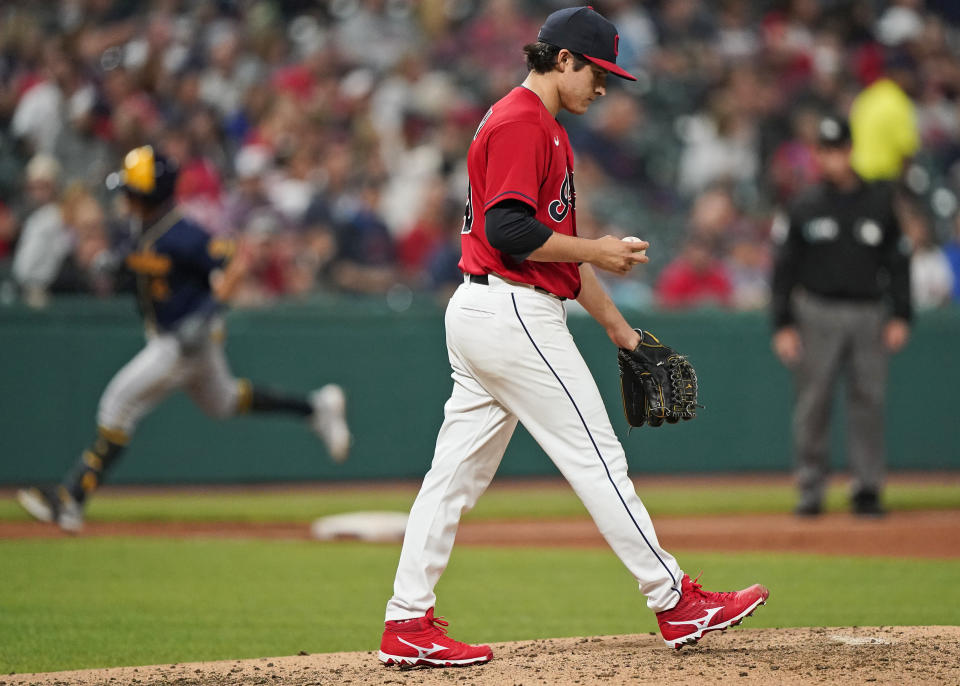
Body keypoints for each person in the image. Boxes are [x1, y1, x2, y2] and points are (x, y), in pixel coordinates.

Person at [378, 6, 769, 669]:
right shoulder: (521, 122)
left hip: (493, 310)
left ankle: (406, 621)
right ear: (564, 59)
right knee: (596, 457)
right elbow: (509, 232)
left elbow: (551, 251)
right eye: (598, 72)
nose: (604, 87)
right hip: (512, 315)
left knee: (452, 479)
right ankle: (675, 601)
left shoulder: (539, 126)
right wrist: (601, 248)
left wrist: (618, 328)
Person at [16, 146, 351, 532]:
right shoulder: (138, 228)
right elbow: (135, 263)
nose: (125, 197)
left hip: (183, 342)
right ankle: (315, 407)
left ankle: (71, 497)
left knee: (117, 404)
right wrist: (112, 264)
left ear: (149, 194)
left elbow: (236, 260)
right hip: (174, 337)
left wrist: (210, 309)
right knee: (224, 403)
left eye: (132, 191)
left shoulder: (185, 233)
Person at [771, 116, 912, 517]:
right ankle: (810, 488)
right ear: (818, 155)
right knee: (813, 401)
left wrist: (901, 312)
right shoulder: (803, 205)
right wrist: (783, 323)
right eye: (825, 151)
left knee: (869, 399)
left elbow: (899, 261)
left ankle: (867, 488)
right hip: (817, 310)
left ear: (850, 151)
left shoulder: (879, 201)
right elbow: (783, 269)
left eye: (838, 150)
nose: (832, 158)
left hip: (869, 310)